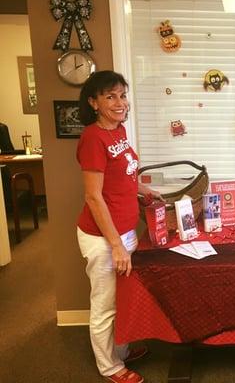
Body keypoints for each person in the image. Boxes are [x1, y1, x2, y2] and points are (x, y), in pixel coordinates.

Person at [76, 71, 163, 383]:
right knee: (105, 303)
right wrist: (115, 245)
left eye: (122, 95)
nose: (119, 102)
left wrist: (144, 190)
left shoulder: (119, 131)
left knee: (122, 297)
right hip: (102, 236)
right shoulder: (92, 138)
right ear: (93, 102)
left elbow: (123, 176)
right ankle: (110, 367)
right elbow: (93, 196)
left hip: (125, 231)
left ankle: (121, 350)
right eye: (110, 96)